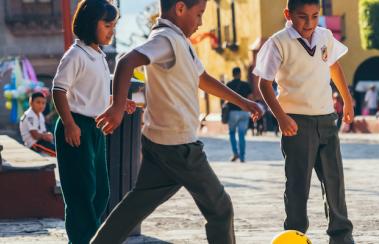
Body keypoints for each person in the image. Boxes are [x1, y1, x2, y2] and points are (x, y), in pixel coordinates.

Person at [92, 0, 263, 243]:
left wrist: (243, 102)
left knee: (134, 207)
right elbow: (126, 61)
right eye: (199, 14)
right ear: (180, 8)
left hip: (161, 143)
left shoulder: (179, 40)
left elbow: (202, 79)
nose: (201, 21)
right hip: (179, 146)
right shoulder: (166, 39)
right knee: (220, 209)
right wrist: (118, 106)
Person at [252, 0, 355, 242]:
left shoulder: (325, 35)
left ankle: (341, 235)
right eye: (302, 17)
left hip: (327, 119)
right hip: (296, 123)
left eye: (314, 16)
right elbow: (264, 84)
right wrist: (281, 117)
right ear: (288, 14)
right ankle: (295, 235)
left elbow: (334, 67)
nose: (309, 23)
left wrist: (347, 100)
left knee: (335, 181)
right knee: (298, 185)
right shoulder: (278, 42)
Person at [49, 2, 129, 243]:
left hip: (95, 129)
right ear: (88, 23)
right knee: (81, 193)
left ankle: (90, 237)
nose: (111, 31)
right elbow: (59, 90)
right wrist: (70, 124)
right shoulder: (76, 54)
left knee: (100, 192)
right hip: (76, 127)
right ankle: (84, 239)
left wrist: (119, 103)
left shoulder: (98, 55)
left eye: (114, 26)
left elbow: (93, 94)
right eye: (107, 25)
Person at [225, 67, 252, 162]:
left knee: (232, 133)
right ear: (240, 74)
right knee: (241, 135)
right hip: (244, 112)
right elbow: (250, 98)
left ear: (232, 74)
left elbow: (225, 98)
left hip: (232, 112)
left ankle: (235, 153)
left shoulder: (228, 84)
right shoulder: (246, 85)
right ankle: (242, 157)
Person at [20, 92, 56, 156]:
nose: (41, 105)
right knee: (58, 153)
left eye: (43, 103)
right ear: (31, 103)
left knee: (58, 148)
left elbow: (43, 131)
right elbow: (35, 136)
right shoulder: (29, 115)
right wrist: (45, 136)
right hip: (33, 144)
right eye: (38, 102)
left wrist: (48, 135)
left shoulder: (40, 114)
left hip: (40, 142)